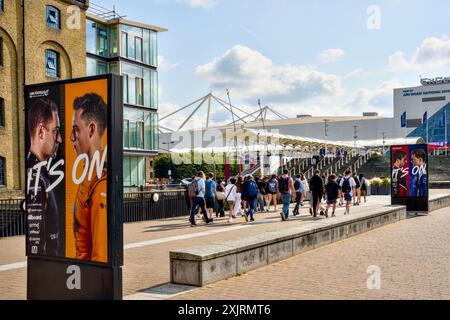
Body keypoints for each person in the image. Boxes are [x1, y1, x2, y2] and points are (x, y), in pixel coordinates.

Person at [70, 93, 108, 263]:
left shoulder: (100, 184)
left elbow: (101, 255)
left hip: (88, 278)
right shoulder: (90, 175)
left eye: (76, 129)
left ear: (91, 129)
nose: (71, 137)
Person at [26, 98, 63, 257]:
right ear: (41, 131)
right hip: (47, 270)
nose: (59, 139)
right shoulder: (38, 180)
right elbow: (38, 242)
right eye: (55, 131)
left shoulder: (40, 175)